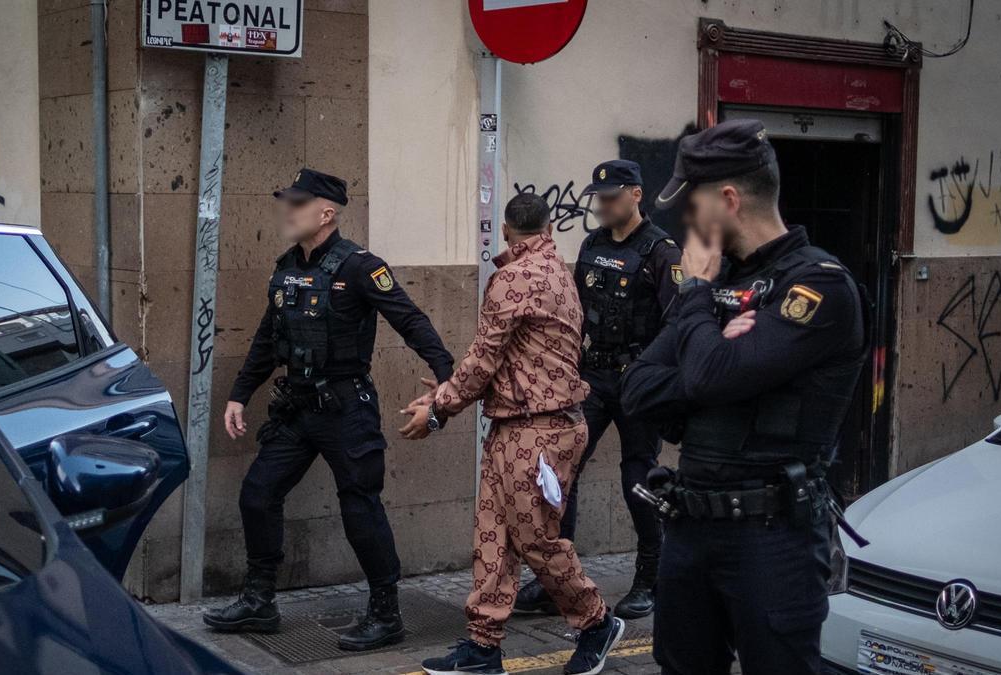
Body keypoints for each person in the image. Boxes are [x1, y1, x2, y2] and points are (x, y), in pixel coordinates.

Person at [618, 119, 866, 675]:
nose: (685, 219)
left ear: (728, 200)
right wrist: (713, 356)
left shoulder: (818, 286)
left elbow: (704, 378)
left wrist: (698, 301)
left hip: (771, 538)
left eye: (692, 204)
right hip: (690, 526)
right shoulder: (718, 284)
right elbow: (637, 389)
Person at [203, 168, 455, 652]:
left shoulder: (360, 267)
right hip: (297, 409)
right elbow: (265, 339)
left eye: (298, 204)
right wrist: (240, 393)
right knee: (258, 493)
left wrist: (447, 376)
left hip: (345, 409)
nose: (288, 211)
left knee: (360, 507)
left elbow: (409, 319)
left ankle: (386, 613)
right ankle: (259, 601)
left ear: (326, 212)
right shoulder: (285, 267)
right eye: (287, 202)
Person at [403, 193, 625, 675]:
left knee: (534, 541)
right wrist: (447, 391)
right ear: (547, 228)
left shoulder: (513, 278)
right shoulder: (559, 271)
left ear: (505, 229)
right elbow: (513, 361)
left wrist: (440, 409)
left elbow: (484, 358)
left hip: (538, 430)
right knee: (494, 539)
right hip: (522, 424)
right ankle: (483, 648)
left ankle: (596, 622)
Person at [515, 159, 681, 620]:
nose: (603, 206)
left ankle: (650, 578)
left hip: (639, 381)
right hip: (593, 377)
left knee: (638, 480)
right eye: (599, 198)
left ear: (635, 195)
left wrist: (657, 380)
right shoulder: (592, 243)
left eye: (611, 198)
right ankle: (557, 583)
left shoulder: (661, 252)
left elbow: (679, 324)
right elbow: (574, 312)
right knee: (559, 475)